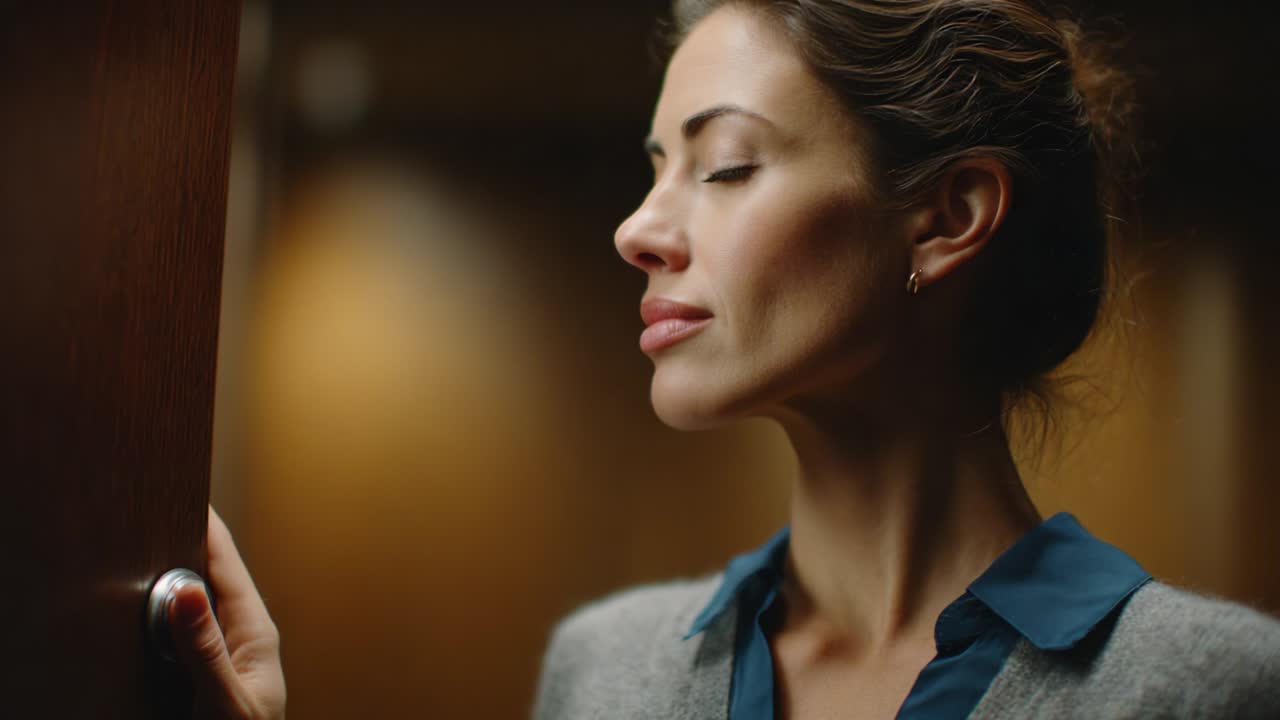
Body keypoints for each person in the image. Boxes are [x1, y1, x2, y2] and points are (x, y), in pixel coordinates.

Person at [174, 1, 1280, 718]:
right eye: (657, 166)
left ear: (947, 216)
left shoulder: (1206, 688)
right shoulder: (606, 671)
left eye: (727, 165)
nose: (637, 229)